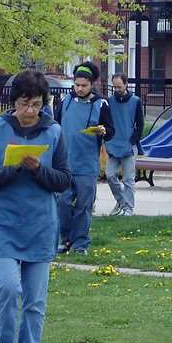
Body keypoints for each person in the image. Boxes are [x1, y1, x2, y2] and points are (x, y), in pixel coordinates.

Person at [0, 69, 71, 343]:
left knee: (34, 301)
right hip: (3, 223)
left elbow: (63, 180)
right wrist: (14, 168)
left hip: (40, 226)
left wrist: (39, 169)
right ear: (13, 101)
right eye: (25, 104)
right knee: (6, 288)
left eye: (37, 104)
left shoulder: (54, 132)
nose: (31, 111)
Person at [54, 62, 114, 255]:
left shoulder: (101, 104)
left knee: (83, 206)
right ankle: (66, 239)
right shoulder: (65, 101)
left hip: (87, 165)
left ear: (92, 84)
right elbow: (55, 126)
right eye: (77, 85)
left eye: (83, 85)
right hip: (64, 164)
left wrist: (103, 131)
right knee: (62, 203)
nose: (79, 89)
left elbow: (111, 131)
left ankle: (80, 243)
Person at [104, 73, 144, 216]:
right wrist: (108, 140)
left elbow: (140, 125)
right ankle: (121, 201)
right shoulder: (109, 102)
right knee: (109, 175)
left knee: (128, 179)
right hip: (113, 145)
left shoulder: (135, 101)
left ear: (126, 84)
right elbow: (106, 123)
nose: (116, 89)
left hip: (128, 145)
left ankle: (128, 208)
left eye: (119, 87)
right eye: (114, 87)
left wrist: (133, 140)